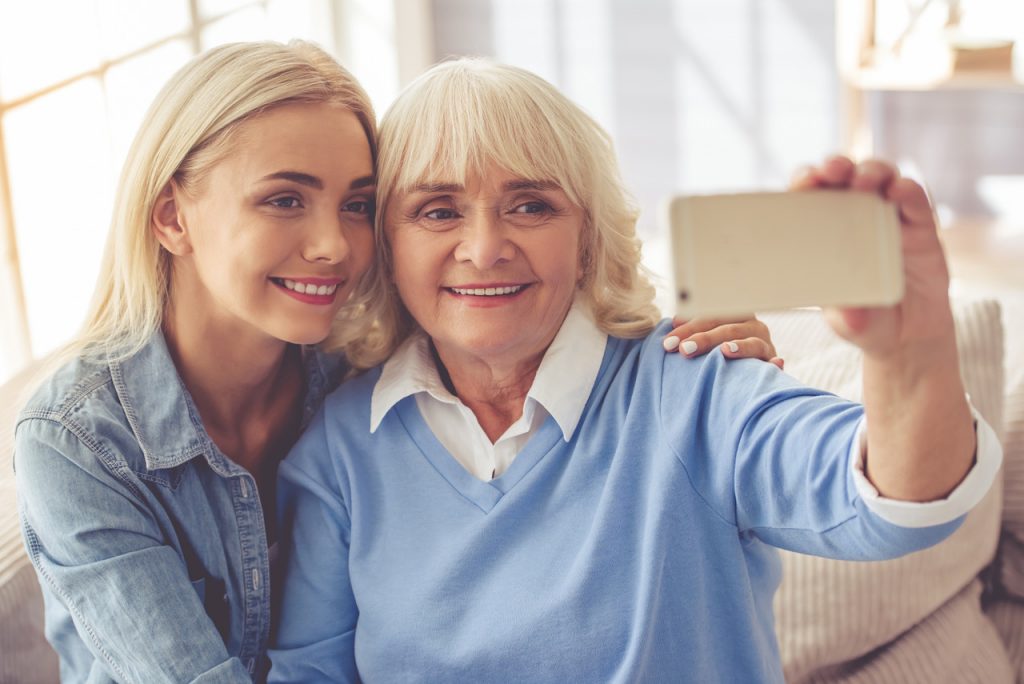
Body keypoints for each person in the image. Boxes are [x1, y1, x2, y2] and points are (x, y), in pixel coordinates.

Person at [12, 42, 777, 683]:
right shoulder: (75, 443)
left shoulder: (362, 365)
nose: (334, 246)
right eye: (284, 200)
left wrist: (689, 333)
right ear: (173, 215)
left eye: (355, 205)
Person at [268, 58, 1003, 683]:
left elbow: (899, 504)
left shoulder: (696, 383)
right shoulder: (341, 450)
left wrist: (911, 349)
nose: (485, 247)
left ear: (587, 240)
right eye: (436, 211)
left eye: (531, 205)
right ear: (385, 245)